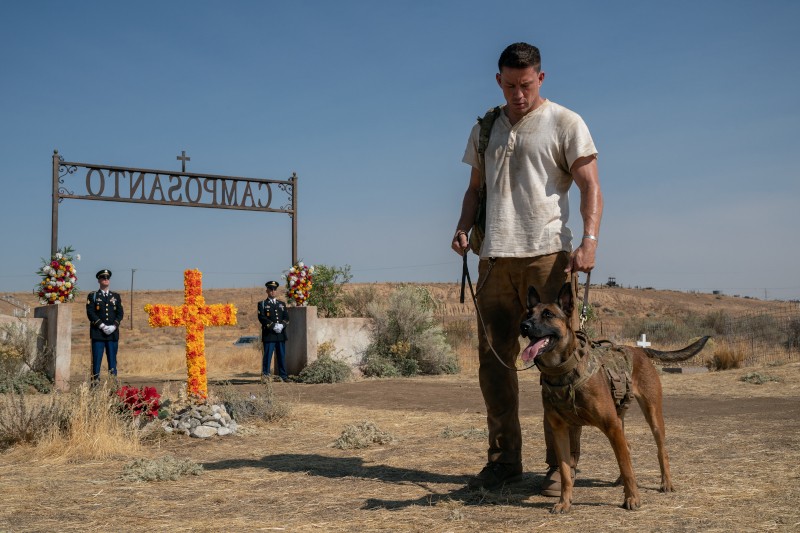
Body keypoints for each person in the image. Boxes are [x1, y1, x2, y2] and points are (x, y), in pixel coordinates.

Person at [451, 42, 603, 495]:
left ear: (541, 78)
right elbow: (474, 191)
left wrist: (590, 241)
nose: (519, 93)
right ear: (499, 81)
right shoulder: (485, 129)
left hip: (548, 259)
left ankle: (561, 467)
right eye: (511, 85)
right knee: (494, 363)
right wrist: (462, 230)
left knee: (557, 364)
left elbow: (591, 185)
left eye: (527, 84)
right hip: (494, 259)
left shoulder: (565, 122)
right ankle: (503, 463)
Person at [86, 269, 124, 384]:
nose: (106, 279)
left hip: (112, 334)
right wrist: (101, 325)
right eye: (103, 277)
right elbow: (90, 312)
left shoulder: (116, 296)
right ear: (99, 280)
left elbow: (120, 313)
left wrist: (114, 326)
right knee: (97, 361)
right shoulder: (93, 296)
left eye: (107, 278)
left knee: (112, 361)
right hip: (98, 334)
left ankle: (113, 384)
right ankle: (95, 384)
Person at [257, 281, 290, 382]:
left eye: (274, 289)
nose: (272, 291)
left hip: (280, 334)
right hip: (269, 335)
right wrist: (273, 326)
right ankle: (266, 376)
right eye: (270, 289)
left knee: (281, 356)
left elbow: (286, 317)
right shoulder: (262, 304)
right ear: (267, 290)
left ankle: (283, 376)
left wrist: (282, 325)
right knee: (267, 356)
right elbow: (262, 317)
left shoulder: (282, 304)